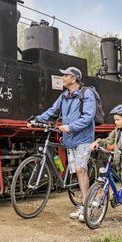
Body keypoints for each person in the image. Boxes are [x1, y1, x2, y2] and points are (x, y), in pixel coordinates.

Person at [31, 66, 95, 222]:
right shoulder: (64, 96)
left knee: (80, 169)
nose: (63, 78)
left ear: (74, 79)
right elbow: (52, 111)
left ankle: (87, 206)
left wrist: (70, 126)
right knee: (75, 170)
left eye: (65, 75)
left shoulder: (87, 94)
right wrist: (37, 120)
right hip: (69, 139)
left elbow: (88, 117)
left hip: (83, 138)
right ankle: (83, 204)